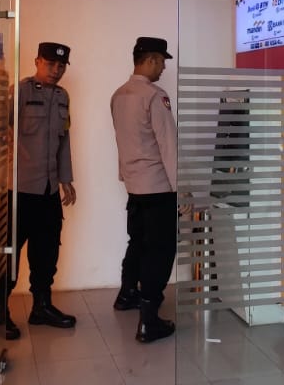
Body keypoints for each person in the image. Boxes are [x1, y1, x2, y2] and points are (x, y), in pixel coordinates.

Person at [0, 42, 78, 340]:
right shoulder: (20, 92)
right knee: (9, 253)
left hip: (48, 189)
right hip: (18, 189)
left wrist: (66, 179)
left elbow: (64, 142)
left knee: (47, 251)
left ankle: (41, 307)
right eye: (50, 64)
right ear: (37, 61)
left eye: (61, 66)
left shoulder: (62, 97)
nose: (56, 70)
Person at [110, 36, 179, 343]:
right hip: (158, 187)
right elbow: (168, 146)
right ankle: (149, 320)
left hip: (135, 186)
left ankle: (127, 293)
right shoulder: (154, 96)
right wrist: (182, 190)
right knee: (160, 249)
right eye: (161, 61)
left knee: (137, 241)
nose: (163, 67)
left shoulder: (119, 95)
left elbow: (122, 140)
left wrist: (125, 176)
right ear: (150, 60)